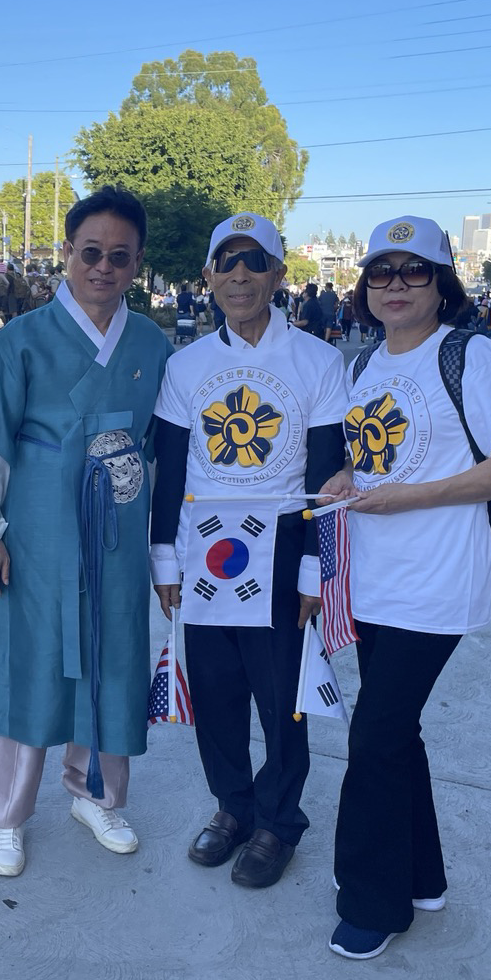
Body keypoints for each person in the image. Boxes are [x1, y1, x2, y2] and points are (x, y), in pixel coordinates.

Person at [321, 216, 491, 959]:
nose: (396, 285)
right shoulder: (363, 364)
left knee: (374, 737)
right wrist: (347, 476)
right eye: (380, 271)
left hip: (438, 580)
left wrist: (412, 497)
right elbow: (370, 457)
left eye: (414, 270)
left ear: (442, 283)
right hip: (373, 578)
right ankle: (421, 877)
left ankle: (372, 901)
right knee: (396, 733)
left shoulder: (470, 355)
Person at [0, 186, 173, 877]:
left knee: (113, 656)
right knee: (25, 658)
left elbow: (162, 449)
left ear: (136, 262)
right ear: (68, 254)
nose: (103, 268)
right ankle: (5, 813)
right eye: (91, 253)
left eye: (119, 256)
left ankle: (96, 794)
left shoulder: (152, 344)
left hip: (118, 531)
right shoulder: (20, 340)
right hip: (37, 530)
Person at [150, 212, 345, 889]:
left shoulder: (319, 362)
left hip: (284, 542)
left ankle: (279, 820)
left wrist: (317, 566)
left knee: (281, 695)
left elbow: (326, 474)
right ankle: (233, 806)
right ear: (208, 276)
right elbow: (170, 469)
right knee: (217, 692)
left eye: (254, 261)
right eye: (226, 262)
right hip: (206, 543)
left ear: (278, 274)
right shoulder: (185, 366)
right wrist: (165, 558)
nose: (239, 276)